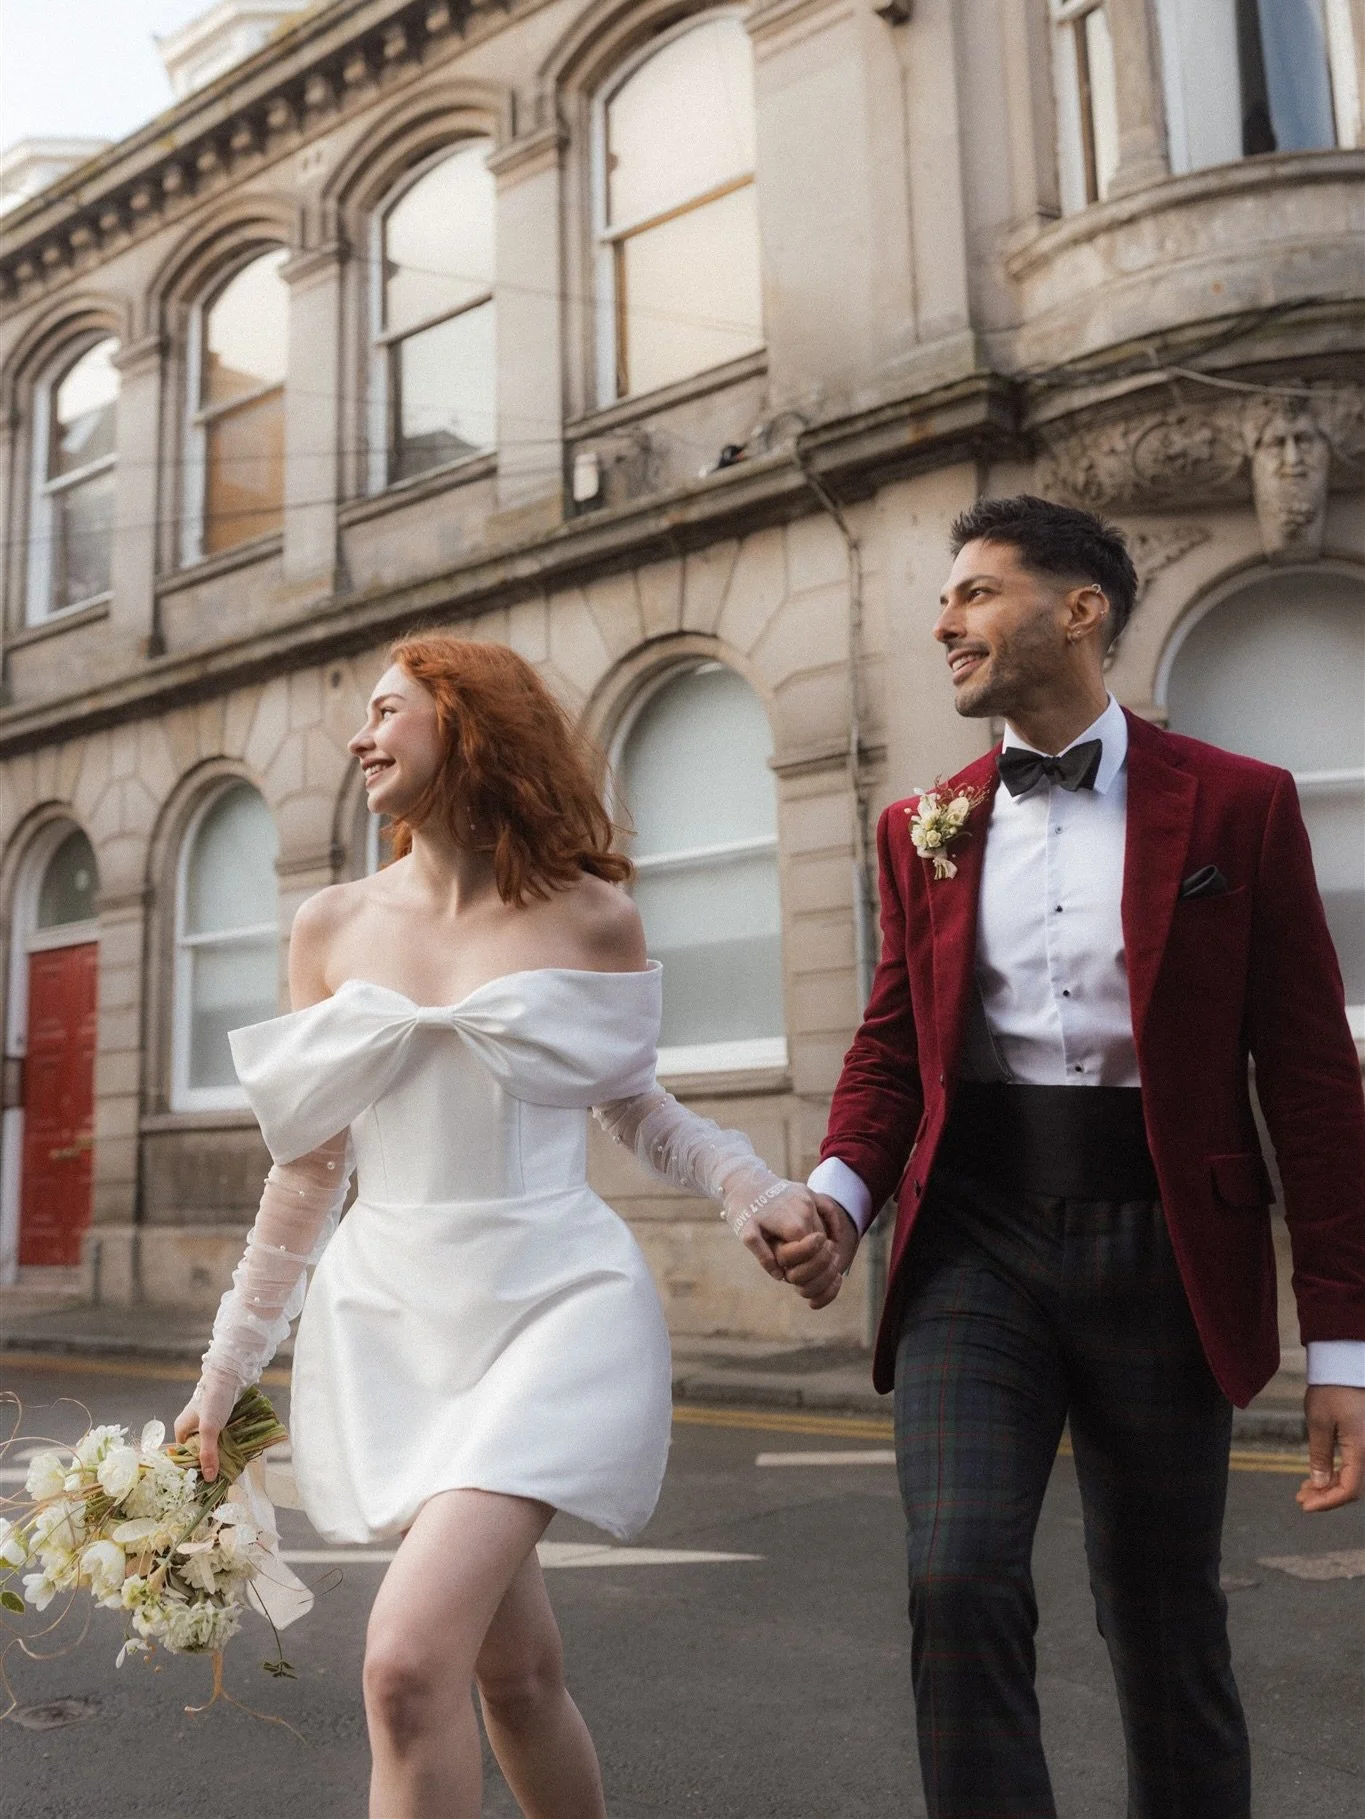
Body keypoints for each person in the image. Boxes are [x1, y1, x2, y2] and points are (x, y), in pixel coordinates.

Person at [175, 635, 834, 1819]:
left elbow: (635, 1102)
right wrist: (224, 1374)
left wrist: (754, 1188)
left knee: (403, 1663)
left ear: (465, 723)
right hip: (394, 1321)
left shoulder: (593, 918)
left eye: (387, 711)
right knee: (518, 1677)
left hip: (554, 1303)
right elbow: (307, 1166)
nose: (361, 737)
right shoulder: (328, 927)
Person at [786, 495, 1365, 1818]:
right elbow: (889, 1053)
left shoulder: (1238, 805)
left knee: (1164, 1615)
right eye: (945, 598)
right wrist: (835, 1189)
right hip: (973, 1244)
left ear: (1079, 609)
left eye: (977, 592)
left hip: (1165, 1243)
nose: (945, 621)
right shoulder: (920, 825)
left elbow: (1317, 1090)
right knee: (956, 1574)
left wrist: (1345, 1348)